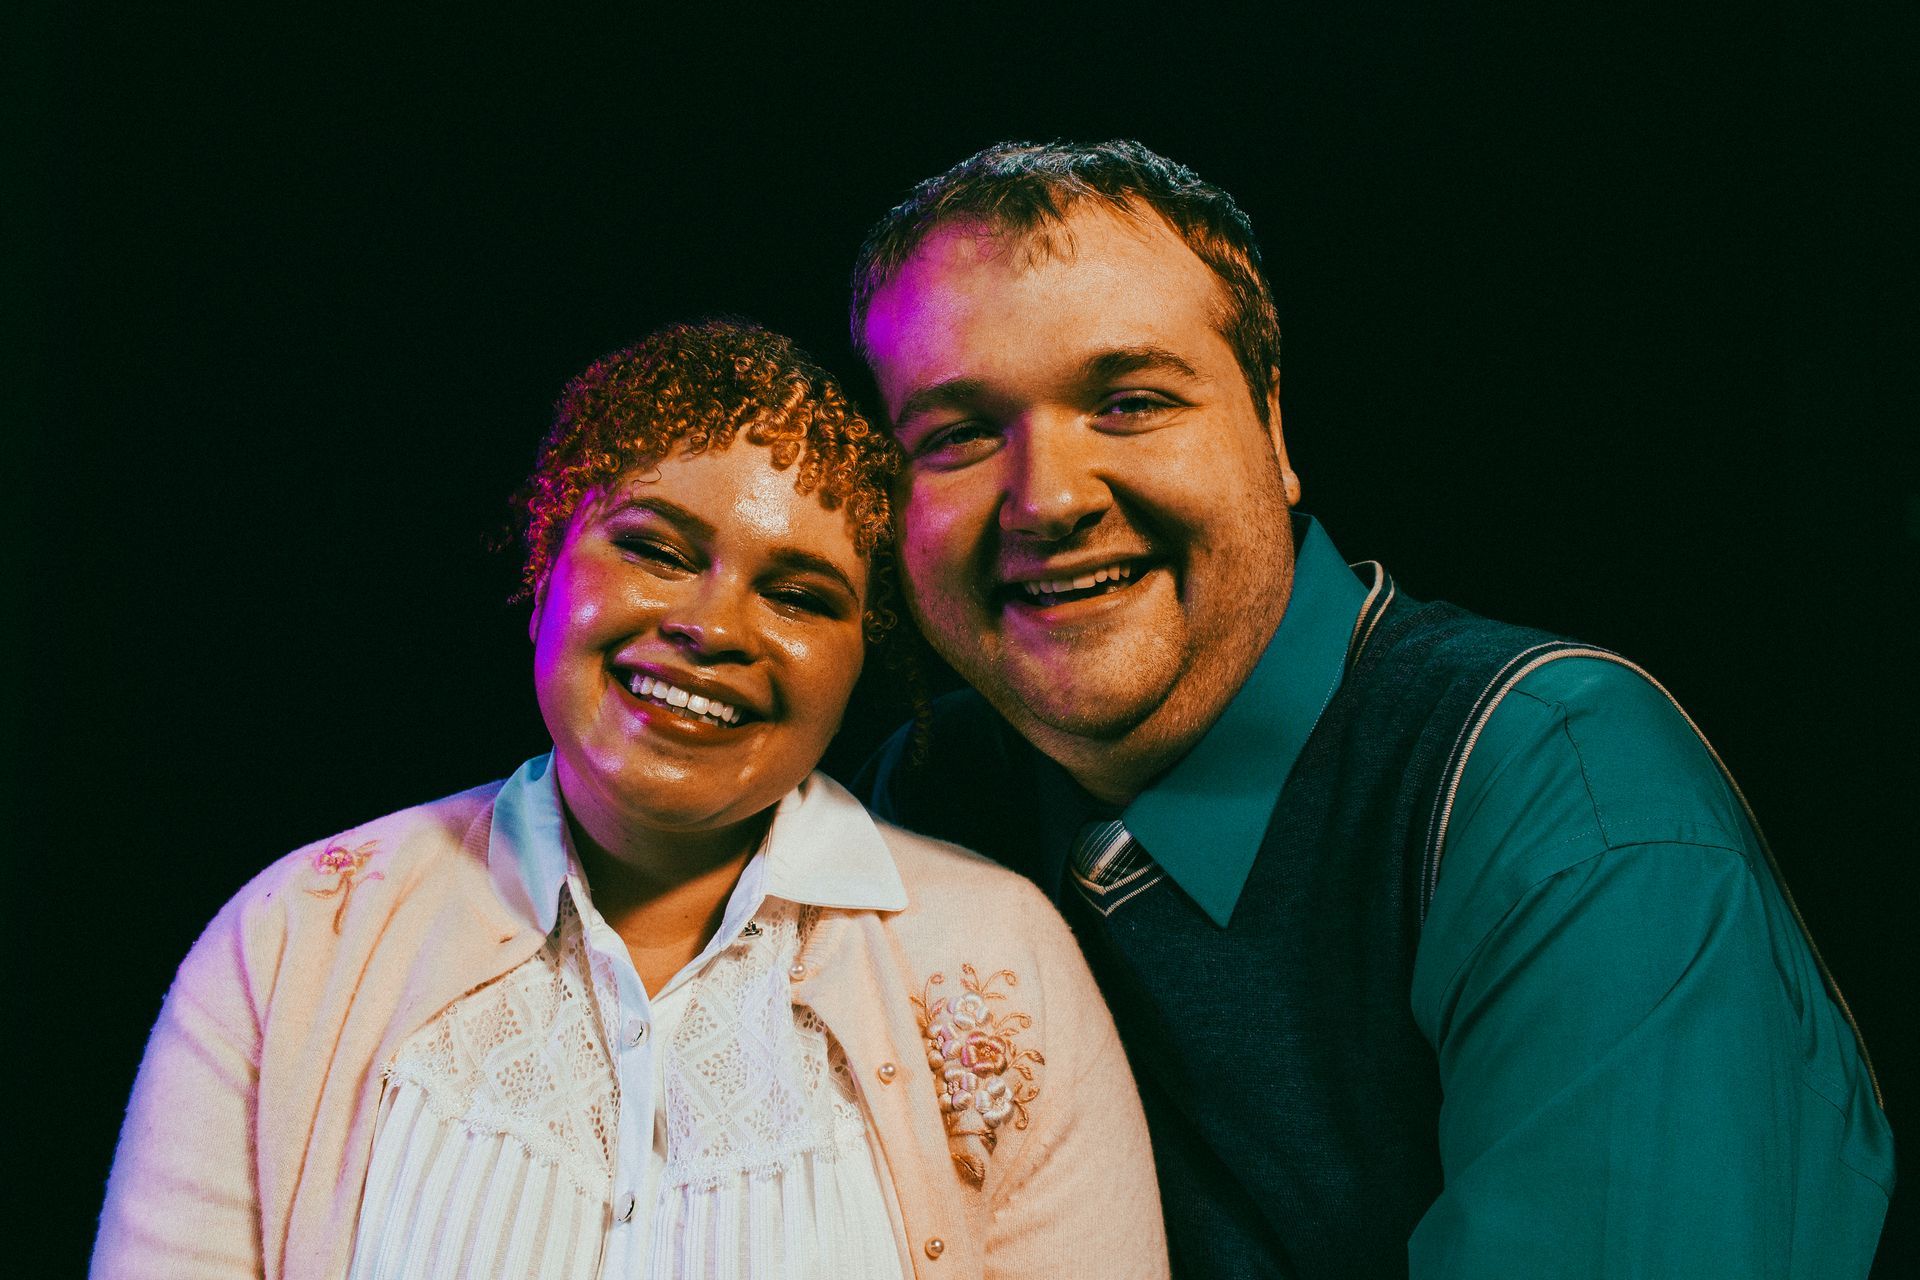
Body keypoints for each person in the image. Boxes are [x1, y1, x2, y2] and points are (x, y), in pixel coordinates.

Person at [849, 140, 1894, 1277]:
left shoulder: (1562, 791)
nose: (1046, 498)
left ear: (1275, 428)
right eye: (955, 435)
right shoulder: (922, 802)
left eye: (1132, 401)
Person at [92, 320, 1167, 1280]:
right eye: (654, 548)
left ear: (861, 659)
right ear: (546, 563)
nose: (715, 626)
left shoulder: (1003, 959)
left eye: (799, 595)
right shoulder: (294, 942)